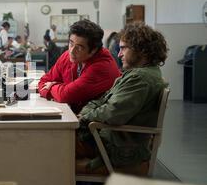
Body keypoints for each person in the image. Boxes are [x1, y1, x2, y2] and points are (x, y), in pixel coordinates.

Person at [77, 22, 169, 170]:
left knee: (51, 141)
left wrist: (83, 118)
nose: (119, 54)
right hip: (110, 141)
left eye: (123, 48)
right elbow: (102, 100)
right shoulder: (138, 74)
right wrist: (85, 114)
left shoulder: (140, 78)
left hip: (113, 149)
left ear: (142, 50)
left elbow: (112, 113)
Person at [38, 19, 121, 113]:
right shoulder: (68, 56)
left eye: (79, 47)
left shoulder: (102, 66)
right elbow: (43, 81)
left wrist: (52, 87)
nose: (72, 51)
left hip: (92, 122)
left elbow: (65, 95)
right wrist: (61, 88)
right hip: (73, 113)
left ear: (93, 50)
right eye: (71, 43)